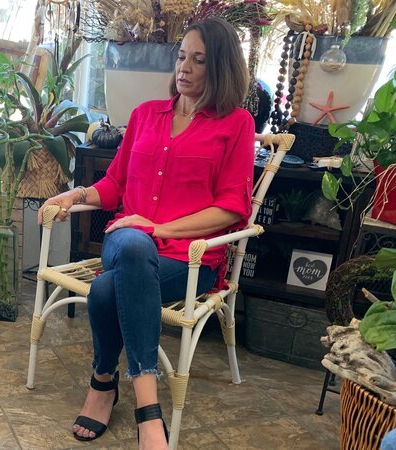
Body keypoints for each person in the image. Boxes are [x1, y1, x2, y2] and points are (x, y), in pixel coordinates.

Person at [38, 17, 254, 448]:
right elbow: (114, 185)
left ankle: (103, 381)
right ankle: (148, 409)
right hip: (126, 240)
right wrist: (74, 195)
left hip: (190, 261)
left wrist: (160, 227)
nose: (184, 68)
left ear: (222, 68)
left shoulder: (236, 124)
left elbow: (232, 208)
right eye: (181, 57)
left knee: (104, 291)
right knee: (134, 245)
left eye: (199, 60)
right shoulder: (144, 116)